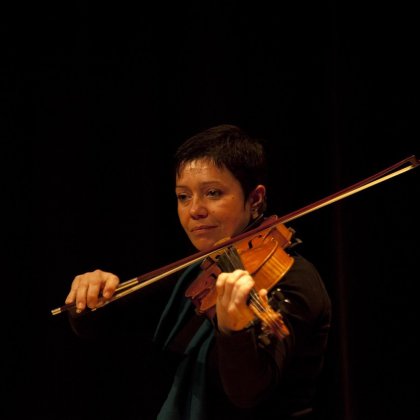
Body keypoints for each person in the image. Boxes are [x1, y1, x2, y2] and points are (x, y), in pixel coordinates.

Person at [63, 124, 332, 419]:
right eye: (183, 196)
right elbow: (107, 329)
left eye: (213, 193)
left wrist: (234, 331)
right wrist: (89, 296)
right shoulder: (200, 272)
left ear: (254, 199)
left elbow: (248, 393)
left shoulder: (294, 280)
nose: (195, 210)